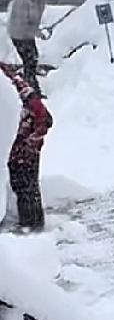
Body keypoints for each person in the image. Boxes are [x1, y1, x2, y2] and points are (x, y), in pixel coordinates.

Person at [7, 0, 84, 95]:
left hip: (28, 33)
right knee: (30, 60)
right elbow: (22, 25)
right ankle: (31, 90)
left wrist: (78, 1)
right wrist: (38, 33)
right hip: (18, 34)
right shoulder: (21, 1)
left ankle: (28, 83)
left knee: (32, 58)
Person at [0, 62, 53, 231]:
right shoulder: (6, 76)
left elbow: (44, 117)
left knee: (25, 187)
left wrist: (31, 142)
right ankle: (33, 226)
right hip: (21, 138)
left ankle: (32, 232)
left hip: (24, 141)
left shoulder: (10, 84)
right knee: (25, 186)